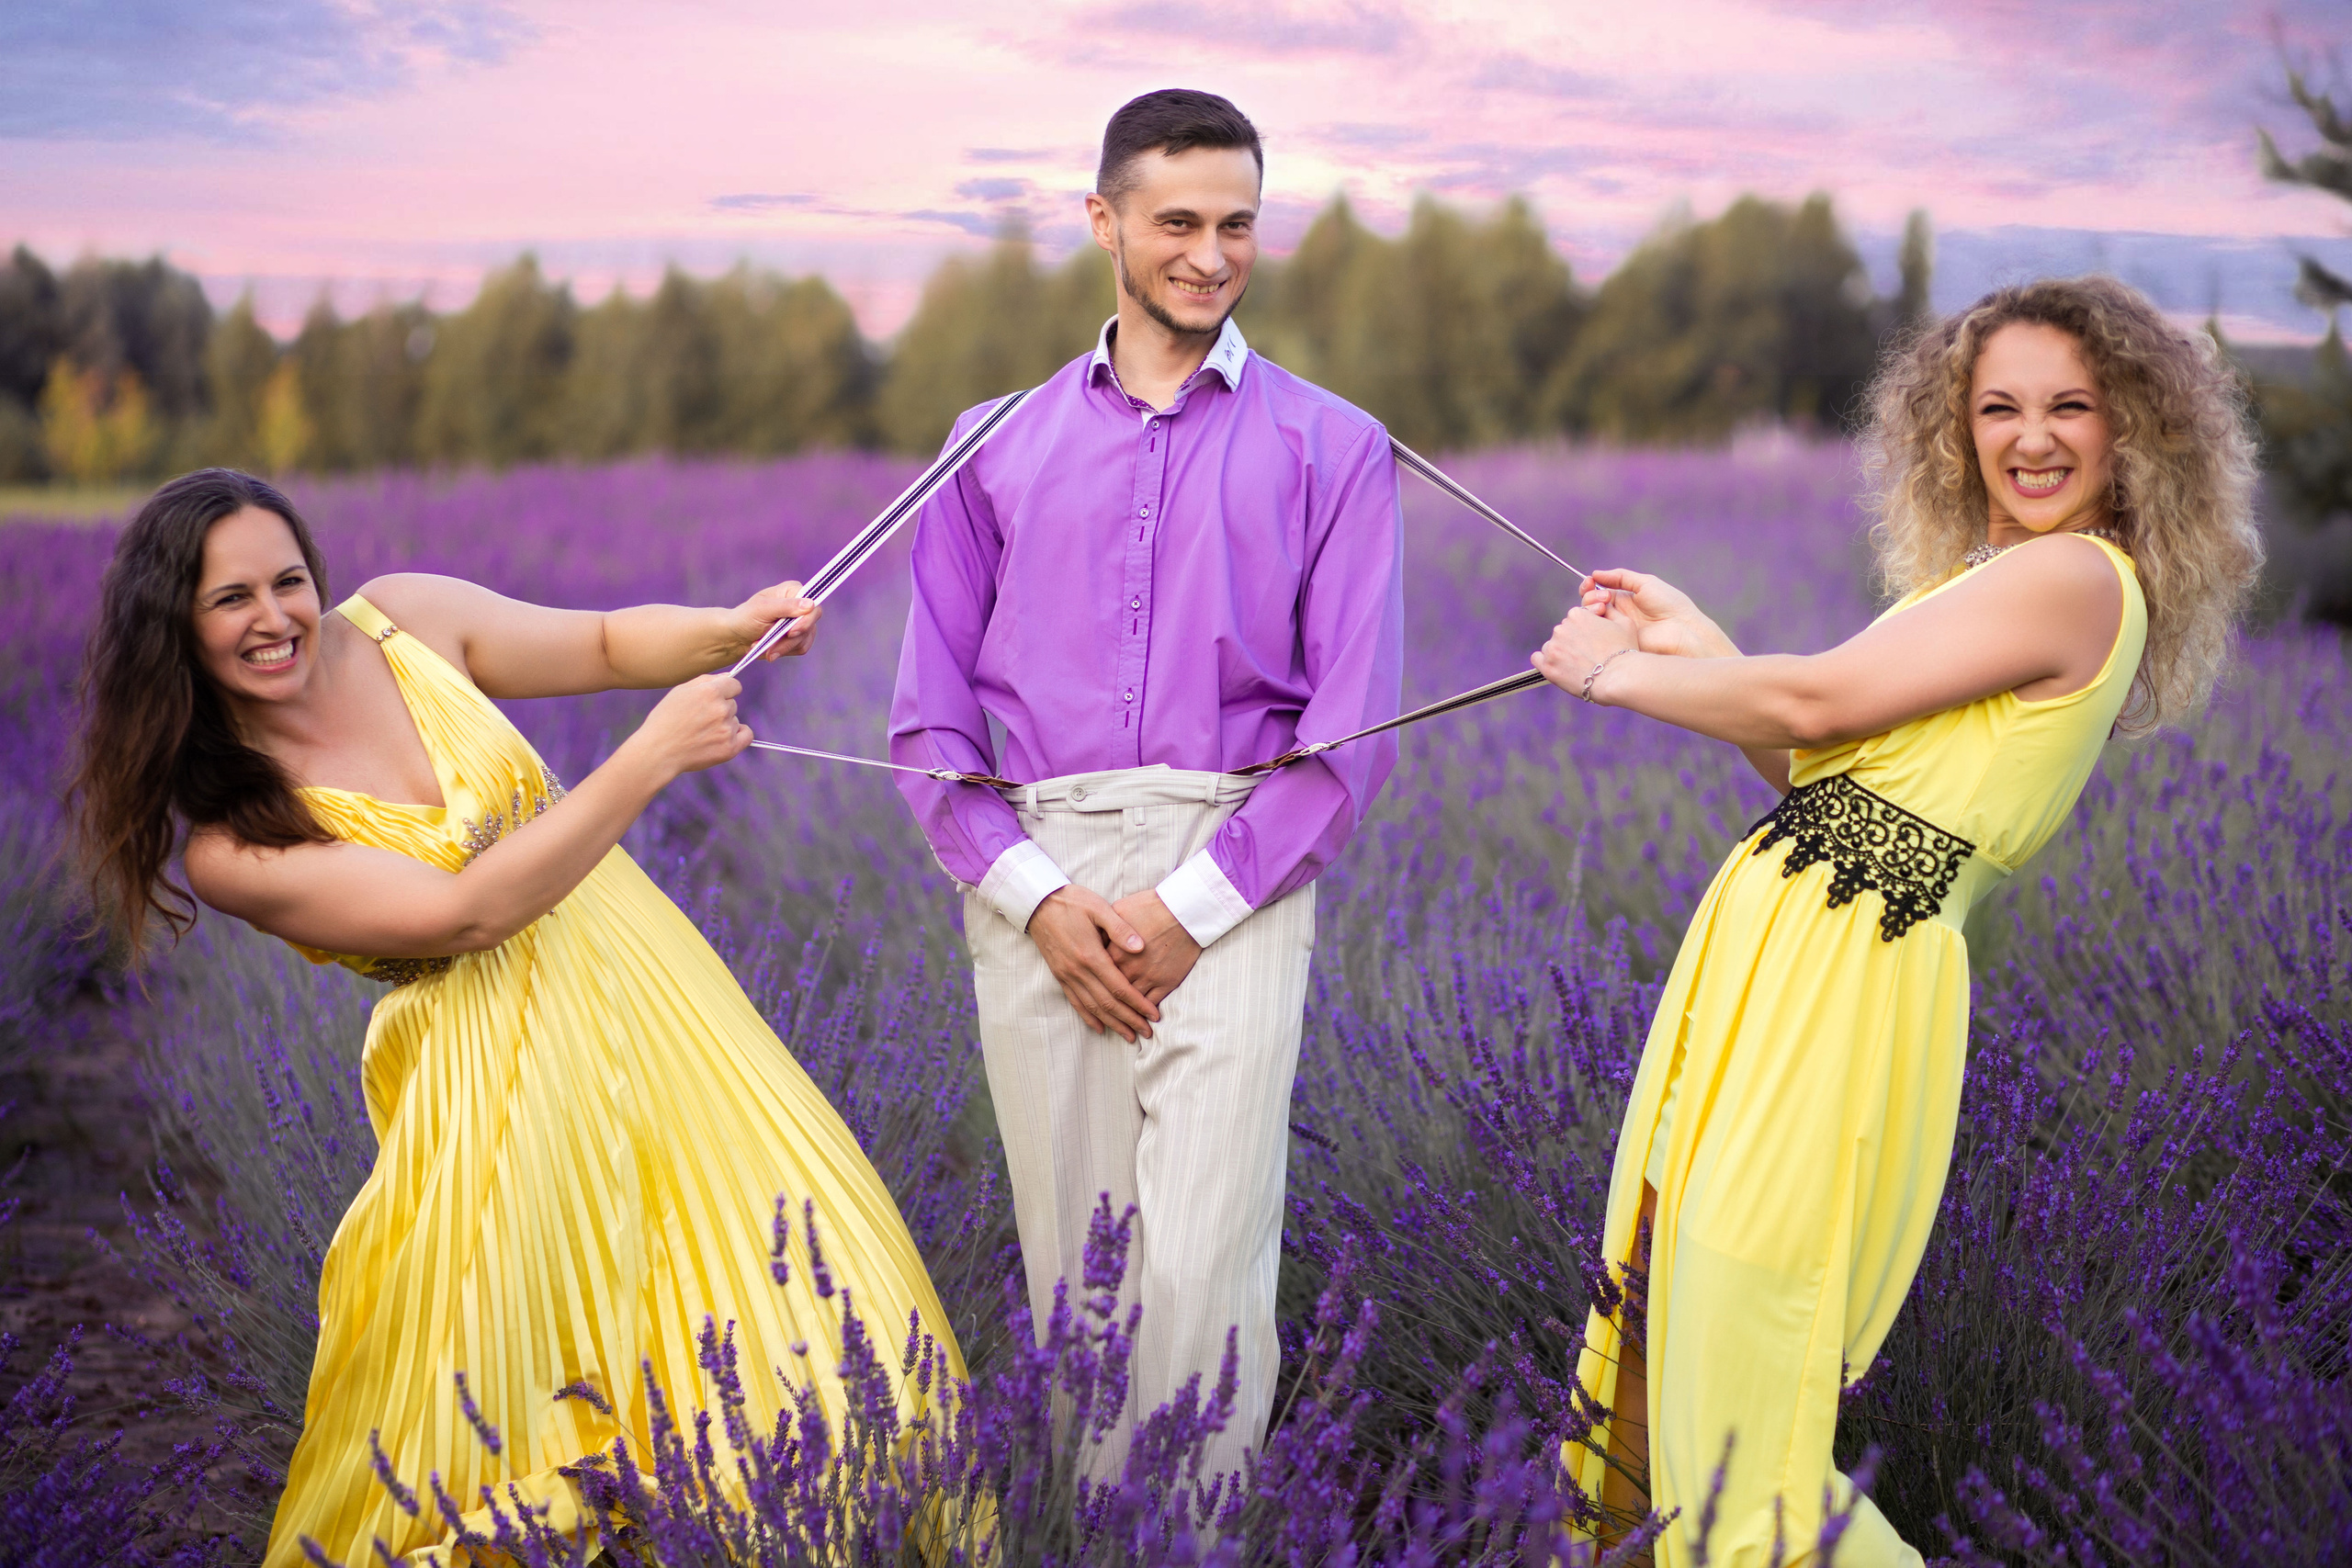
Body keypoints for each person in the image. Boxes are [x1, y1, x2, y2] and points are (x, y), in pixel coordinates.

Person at [71, 469, 966, 1567]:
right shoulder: (229, 843)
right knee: (528, 1389)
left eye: (288, 580)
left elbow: (593, 643)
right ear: (177, 630)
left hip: (653, 1003)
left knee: (827, 1288)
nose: (274, 617)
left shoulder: (403, 620)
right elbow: (463, 911)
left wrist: (725, 631)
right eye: (231, 600)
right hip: (501, 1101)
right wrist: (649, 760)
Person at [1538, 276, 2262, 1566]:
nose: (2031, 436)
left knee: (1747, 1423)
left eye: (2069, 406)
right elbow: (1832, 786)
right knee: (1689, 1359)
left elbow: (1816, 702)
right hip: (1776, 965)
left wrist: (1624, 675)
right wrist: (1698, 639)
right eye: (1998, 407)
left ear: (2132, 427)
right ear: (1957, 427)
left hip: (1840, 989)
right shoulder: (1990, 580)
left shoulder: (2074, 578)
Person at [888, 88, 1403, 1475]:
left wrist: (1184, 906)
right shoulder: (986, 443)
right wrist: (1048, 905)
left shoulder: (1334, 446)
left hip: (1239, 869)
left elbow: (1350, 735)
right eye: (1177, 221)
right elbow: (930, 730)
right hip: (1032, 877)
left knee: (1204, 1277)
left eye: (1237, 222)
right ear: (1105, 221)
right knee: (1081, 1291)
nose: (1210, 253)